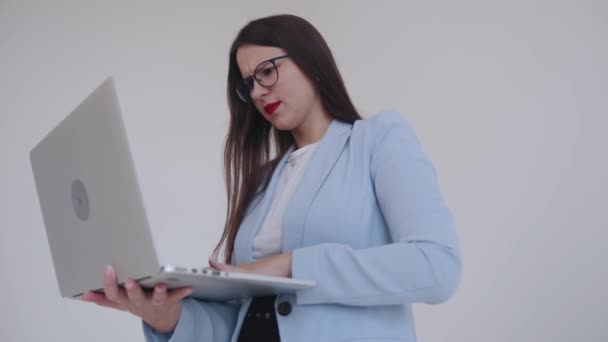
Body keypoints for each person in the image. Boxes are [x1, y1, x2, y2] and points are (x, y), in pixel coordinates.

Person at [82, 14, 462, 342]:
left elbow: (436, 267)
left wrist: (291, 264)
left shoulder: (377, 139)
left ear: (311, 61)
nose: (258, 91)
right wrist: (165, 316)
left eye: (266, 71)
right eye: (248, 83)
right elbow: (243, 319)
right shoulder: (265, 181)